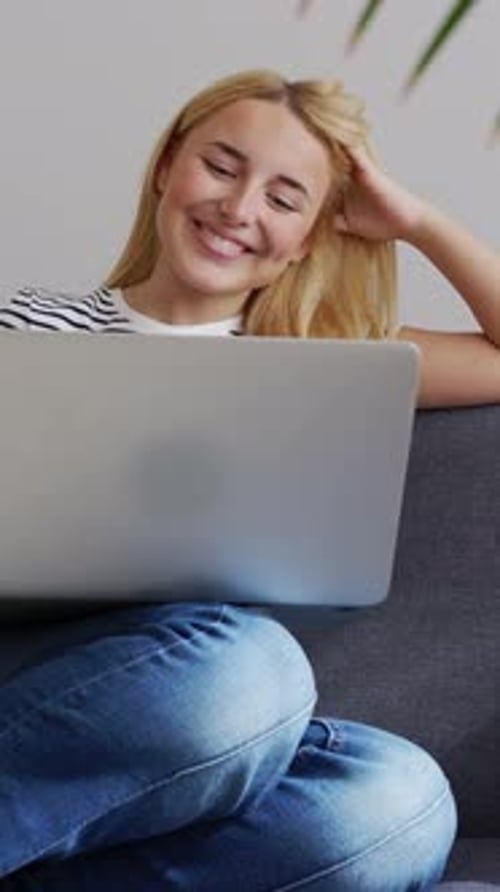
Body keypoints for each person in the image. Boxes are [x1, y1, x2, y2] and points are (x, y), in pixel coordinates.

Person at [0, 68, 498, 892]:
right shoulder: (27, 330)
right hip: (45, 674)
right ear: (168, 166)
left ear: (309, 237)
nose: (238, 209)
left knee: (399, 799)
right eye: (222, 167)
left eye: (284, 197)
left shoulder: (327, 366)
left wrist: (416, 221)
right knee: (248, 672)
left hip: (204, 734)